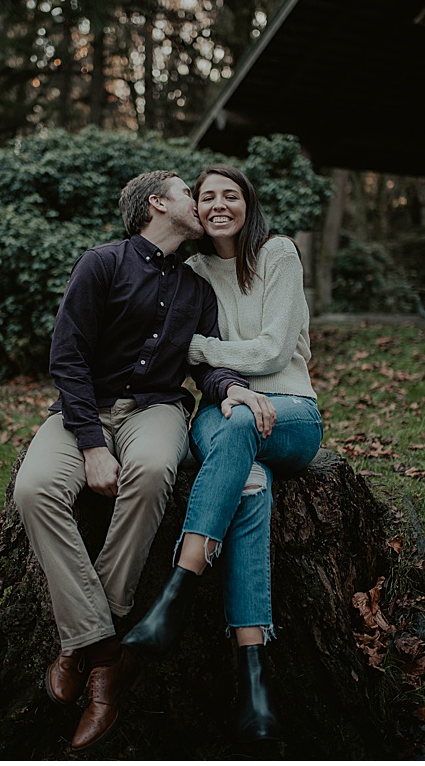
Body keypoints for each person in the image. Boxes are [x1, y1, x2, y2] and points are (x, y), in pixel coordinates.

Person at [12, 170, 252, 751]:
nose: (202, 204)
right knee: (34, 489)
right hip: (83, 410)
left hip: (158, 409)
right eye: (190, 194)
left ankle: (83, 635)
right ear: (157, 204)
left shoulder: (197, 288)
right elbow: (67, 355)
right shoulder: (102, 263)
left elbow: (204, 361)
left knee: (150, 473)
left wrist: (230, 388)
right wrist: (92, 443)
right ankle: (103, 647)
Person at [121, 164, 319, 743]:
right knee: (249, 482)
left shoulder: (278, 254)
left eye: (230, 195)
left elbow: (274, 349)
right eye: (207, 197)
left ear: (246, 203)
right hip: (224, 412)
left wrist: (201, 346)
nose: (218, 205)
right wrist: (219, 375)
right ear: (197, 211)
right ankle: (255, 685)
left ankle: (178, 590)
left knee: (240, 426)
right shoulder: (192, 272)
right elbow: (194, 368)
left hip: (290, 412)